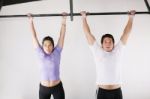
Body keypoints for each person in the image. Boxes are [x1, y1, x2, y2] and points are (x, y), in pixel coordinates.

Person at [80, 10, 135, 99]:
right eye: (105, 42)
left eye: (110, 42)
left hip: (117, 91)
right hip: (102, 92)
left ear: (114, 44)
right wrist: (83, 18)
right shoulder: (97, 51)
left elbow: (126, 33)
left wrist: (131, 17)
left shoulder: (118, 50)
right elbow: (88, 34)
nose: (108, 43)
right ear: (102, 44)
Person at [28, 12, 67, 99]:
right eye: (45, 45)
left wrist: (63, 20)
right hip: (43, 88)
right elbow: (34, 36)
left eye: (50, 45)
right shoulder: (39, 52)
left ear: (53, 46)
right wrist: (31, 22)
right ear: (42, 46)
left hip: (57, 87)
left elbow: (62, 36)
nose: (47, 47)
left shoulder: (57, 51)